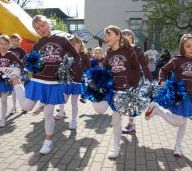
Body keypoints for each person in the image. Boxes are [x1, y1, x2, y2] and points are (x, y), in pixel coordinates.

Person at [6, 15, 81, 155]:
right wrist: (31, 67)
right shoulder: (37, 45)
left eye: (42, 25)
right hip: (38, 80)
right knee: (26, 106)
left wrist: (70, 70)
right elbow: (32, 62)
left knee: (48, 113)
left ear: (48, 24)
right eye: (37, 28)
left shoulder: (62, 40)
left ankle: (48, 142)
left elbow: (76, 57)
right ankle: (16, 81)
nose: (41, 29)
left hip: (54, 82)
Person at [145, 34, 192, 157]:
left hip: (189, 96)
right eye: (188, 46)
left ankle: (178, 146)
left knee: (183, 122)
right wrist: (162, 80)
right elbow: (163, 70)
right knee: (178, 122)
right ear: (182, 47)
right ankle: (157, 110)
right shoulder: (176, 60)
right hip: (177, 94)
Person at [92, 25, 140, 159]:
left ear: (118, 36)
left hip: (125, 91)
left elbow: (137, 69)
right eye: (105, 35)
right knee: (99, 108)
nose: (106, 37)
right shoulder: (108, 54)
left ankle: (116, 146)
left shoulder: (129, 51)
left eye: (109, 35)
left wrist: (133, 87)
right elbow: (106, 72)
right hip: (112, 90)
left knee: (116, 119)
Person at [54, 35, 91, 130]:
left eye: (74, 43)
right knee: (63, 100)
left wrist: (88, 78)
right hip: (67, 81)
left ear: (79, 44)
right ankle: (61, 112)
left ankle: (74, 121)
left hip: (77, 82)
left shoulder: (84, 55)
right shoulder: (67, 53)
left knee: (74, 104)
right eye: (71, 44)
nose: (72, 45)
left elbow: (89, 68)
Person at [121, 29, 153, 134]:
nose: (127, 38)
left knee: (131, 103)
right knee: (120, 102)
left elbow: (144, 65)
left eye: (129, 36)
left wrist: (151, 80)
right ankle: (118, 122)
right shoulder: (118, 50)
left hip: (133, 80)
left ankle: (131, 124)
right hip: (120, 80)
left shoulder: (137, 50)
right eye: (124, 36)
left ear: (132, 38)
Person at [8, 34, 27, 115]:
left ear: (19, 41)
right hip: (12, 73)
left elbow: (25, 60)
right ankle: (14, 106)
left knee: (22, 89)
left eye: (16, 40)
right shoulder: (8, 50)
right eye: (12, 41)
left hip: (21, 72)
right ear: (10, 41)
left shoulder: (22, 51)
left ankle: (24, 106)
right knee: (14, 90)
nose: (14, 42)